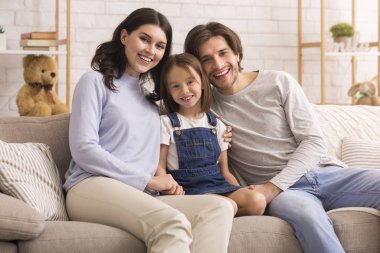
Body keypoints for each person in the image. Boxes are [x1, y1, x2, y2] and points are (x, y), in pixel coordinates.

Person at [184, 22, 380, 253]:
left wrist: (272, 187)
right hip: (288, 195)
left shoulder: (278, 82)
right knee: (308, 218)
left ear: (236, 54)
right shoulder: (204, 108)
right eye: (206, 59)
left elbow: (314, 142)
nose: (217, 65)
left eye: (223, 53)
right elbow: (170, 103)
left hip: (326, 173)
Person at [63, 9, 235, 253]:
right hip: (91, 186)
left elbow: (188, 111)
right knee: (172, 223)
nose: (151, 51)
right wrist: (148, 180)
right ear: (124, 36)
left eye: (160, 46)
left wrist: (219, 126)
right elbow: (84, 150)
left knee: (219, 207)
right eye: (144, 39)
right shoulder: (94, 82)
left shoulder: (150, 101)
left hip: (142, 194)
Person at [157, 53, 266, 216]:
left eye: (190, 82)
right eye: (175, 86)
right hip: (187, 190)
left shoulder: (217, 125)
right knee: (227, 205)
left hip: (217, 184)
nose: (184, 90)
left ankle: (216, 215)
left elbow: (225, 171)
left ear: (202, 81)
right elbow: (160, 167)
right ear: (168, 90)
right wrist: (169, 189)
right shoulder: (166, 123)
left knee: (257, 200)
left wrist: (240, 190)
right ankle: (216, 212)